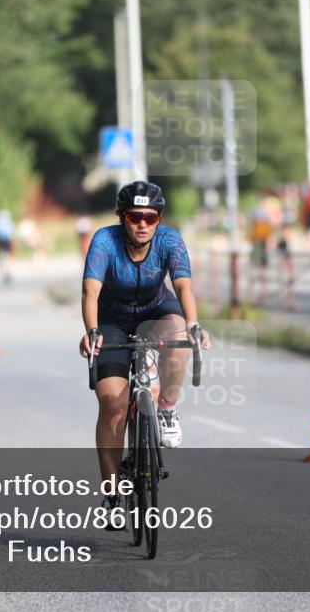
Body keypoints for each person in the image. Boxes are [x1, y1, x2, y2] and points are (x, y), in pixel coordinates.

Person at [78, 181, 211, 521]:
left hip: (155, 310)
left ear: (159, 219)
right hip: (112, 320)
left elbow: (183, 286)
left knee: (179, 334)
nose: (141, 224)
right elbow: (90, 292)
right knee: (113, 404)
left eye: (149, 218)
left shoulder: (169, 240)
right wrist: (91, 332)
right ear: (121, 217)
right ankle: (111, 495)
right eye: (134, 216)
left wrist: (194, 325)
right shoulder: (104, 241)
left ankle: (166, 408)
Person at [0, 210, 14, 284]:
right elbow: (11, 232)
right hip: (7, 241)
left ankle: (4, 270)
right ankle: (8, 270)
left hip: (1, 242)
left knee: (2, 255)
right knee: (7, 256)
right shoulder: (9, 223)